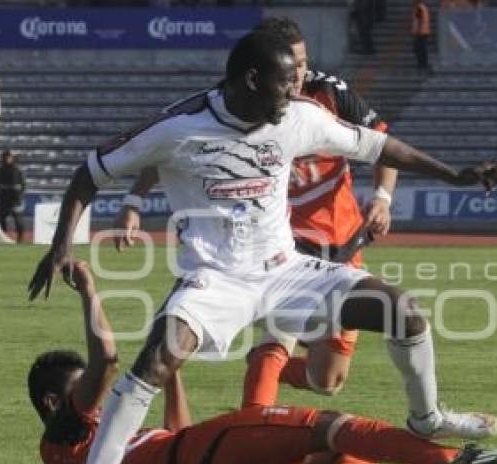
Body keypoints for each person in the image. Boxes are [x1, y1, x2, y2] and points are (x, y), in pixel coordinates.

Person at [28, 30, 497, 464]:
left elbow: (376, 145)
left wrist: (455, 175)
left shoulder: (299, 115)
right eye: (285, 84)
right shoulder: (179, 125)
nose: (293, 94)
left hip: (287, 270)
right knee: (152, 366)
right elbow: (90, 172)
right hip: (214, 278)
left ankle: (426, 418)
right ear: (251, 80)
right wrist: (60, 246)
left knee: (402, 311)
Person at [30, 259, 497, 464]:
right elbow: (109, 361)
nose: (94, 398)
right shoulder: (65, 436)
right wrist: (91, 291)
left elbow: (171, 433)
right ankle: (446, 460)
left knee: (351, 445)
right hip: (201, 462)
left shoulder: (95, 448)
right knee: (334, 426)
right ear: (56, 402)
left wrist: (170, 370)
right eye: (81, 390)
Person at [114, 17, 399, 405]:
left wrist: (382, 197)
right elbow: (169, 149)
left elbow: (384, 144)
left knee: (328, 380)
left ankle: (266, 370)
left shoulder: (329, 95)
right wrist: (134, 200)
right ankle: (252, 424)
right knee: (279, 336)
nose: (299, 74)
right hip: (284, 247)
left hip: (343, 242)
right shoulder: (237, 102)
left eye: (302, 63)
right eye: (291, 65)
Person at [0, 149, 26, 242]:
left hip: (15, 200)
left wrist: (19, 194)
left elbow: (23, 184)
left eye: (9, 157)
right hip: (4, 200)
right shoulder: (0, 170)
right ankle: (3, 237)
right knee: (1, 219)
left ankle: (20, 239)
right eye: (6, 157)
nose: (7, 159)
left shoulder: (17, 170)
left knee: (19, 221)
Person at [412, 0, 431, 72]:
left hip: (420, 33)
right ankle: (424, 64)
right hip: (425, 32)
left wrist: (417, 31)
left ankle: (421, 65)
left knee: (420, 50)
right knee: (423, 49)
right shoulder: (424, 7)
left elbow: (419, 20)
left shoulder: (419, 8)